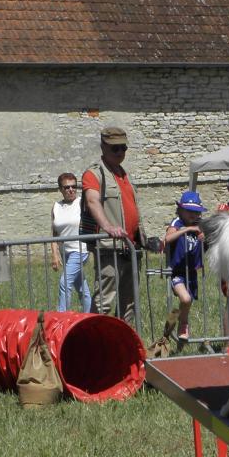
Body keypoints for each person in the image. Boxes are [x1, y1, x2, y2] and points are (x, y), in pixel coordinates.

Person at [80, 126, 146, 326]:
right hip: (110, 248)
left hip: (130, 247)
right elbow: (92, 201)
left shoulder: (123, 173)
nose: (120, 153)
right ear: (103, 147)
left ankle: (122, 343)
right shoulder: (94, 173)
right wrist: (108, 227)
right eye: (115, 149)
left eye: (123, 148)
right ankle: (95, 341)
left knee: (129, 302)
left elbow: (132, 207)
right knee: (104, 302)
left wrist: (142, 237)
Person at [163, 190, 206, 341]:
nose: (193, 215)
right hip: (177, 271)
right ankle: (183, 324)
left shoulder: (200, 225)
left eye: (196, 212)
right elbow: (167, 239)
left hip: (191, 272)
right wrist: (187, 229)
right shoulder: (177, 223)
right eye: (189, 211)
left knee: (185, 303)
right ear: (180, 210)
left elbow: (208, 243)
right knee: (186, 299)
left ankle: (170, 325)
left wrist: (204, 237)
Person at [51, 173, 90, 313]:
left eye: (74, 186)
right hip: (65, 251)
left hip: (80, 249)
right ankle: (89, 315)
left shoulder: (82, 203)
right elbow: (54, 234)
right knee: (81, 287)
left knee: (65, 282)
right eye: (67, 187)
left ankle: (61, 319)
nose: (71, 190)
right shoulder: (56, 206)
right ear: (60, 189)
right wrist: (55, 255)